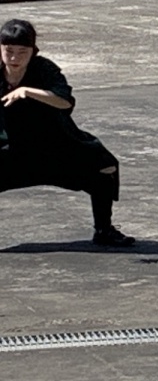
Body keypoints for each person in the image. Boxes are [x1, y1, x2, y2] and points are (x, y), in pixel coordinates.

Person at [0, 19, 134, 247]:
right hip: (9, 145)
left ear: (33, 51)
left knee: (104, 167)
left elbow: (64, 101)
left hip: (53, 142)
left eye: (22, 52)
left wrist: (28, 91)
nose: (14, 58)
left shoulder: (44, 69)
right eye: (8, 51)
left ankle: (104, 230)